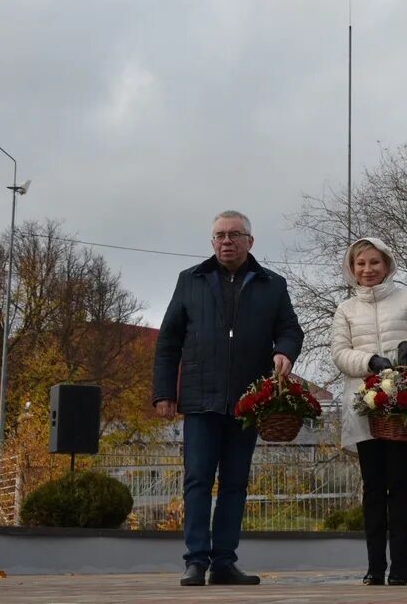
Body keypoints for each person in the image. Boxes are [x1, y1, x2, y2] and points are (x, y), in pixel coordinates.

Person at [152, 210, 303, 586]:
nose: (227, 241)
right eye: (220, 235)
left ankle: (223, 563)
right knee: (198, 480)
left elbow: (290, 329)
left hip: (247, 402)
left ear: (250, 241)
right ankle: (195, 561)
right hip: (200, 400)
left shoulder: (273, 284)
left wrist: (285, 350)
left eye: (235, 234)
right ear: (212, 241)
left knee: (235, 483)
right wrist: (164, 393)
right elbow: (168, 341)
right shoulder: (191, 281)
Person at [331, 237, 407, 586]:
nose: (367, 270)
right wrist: (369, 361)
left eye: (374, 262)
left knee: (400, 485)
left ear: (387, 263)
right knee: (373, 487)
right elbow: (339, 352)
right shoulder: (345, 309)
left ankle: (399, 569)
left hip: (404, 404)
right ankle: (374, 567)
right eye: (361, 264)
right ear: (352, 268)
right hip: (365, 406)